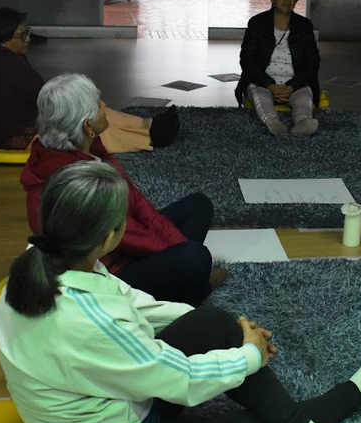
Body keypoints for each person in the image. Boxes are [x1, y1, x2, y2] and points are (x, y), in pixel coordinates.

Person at [0, 161, 361, 423]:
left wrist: (231, 332)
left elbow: (132, 303)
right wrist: (249, 356)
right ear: (108, 238)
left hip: (106, 406)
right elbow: (180, 380)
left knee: (212, 321)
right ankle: (332, 412)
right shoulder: (87, 321)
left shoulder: (43, 259)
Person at [21, 73, 223, 304]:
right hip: (108, 276)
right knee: (195, 257)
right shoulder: (77, 183)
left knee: (199, 205)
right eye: (98, 105)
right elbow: (129, 236)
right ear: (87, 125)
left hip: (120, 245)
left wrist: (176, 245)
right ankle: (192, 290)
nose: (105, 106)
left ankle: (187, 279)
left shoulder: (90, 148)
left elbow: (138, 204)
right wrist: (181, 254)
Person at [0, 7, 171, 152]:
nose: (29, 39)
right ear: (6, 38)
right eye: (22, 35)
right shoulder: (9, 65)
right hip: (12, 136)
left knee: (94, 110)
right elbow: (44, 98)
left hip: (4, 128)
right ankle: (147, 140)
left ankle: (147, 126)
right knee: (87, 123)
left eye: (28, 32)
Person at [235, 0, 321, 137]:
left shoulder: (304, 26)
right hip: (263, 82)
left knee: (303, 98)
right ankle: (272, 122)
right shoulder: (257, 23)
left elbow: (313, 62)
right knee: (261, 97)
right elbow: (247, 60)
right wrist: (269, 84)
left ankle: (302, 122)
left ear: (296, 0)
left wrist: (293, 85)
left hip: (295, 83)